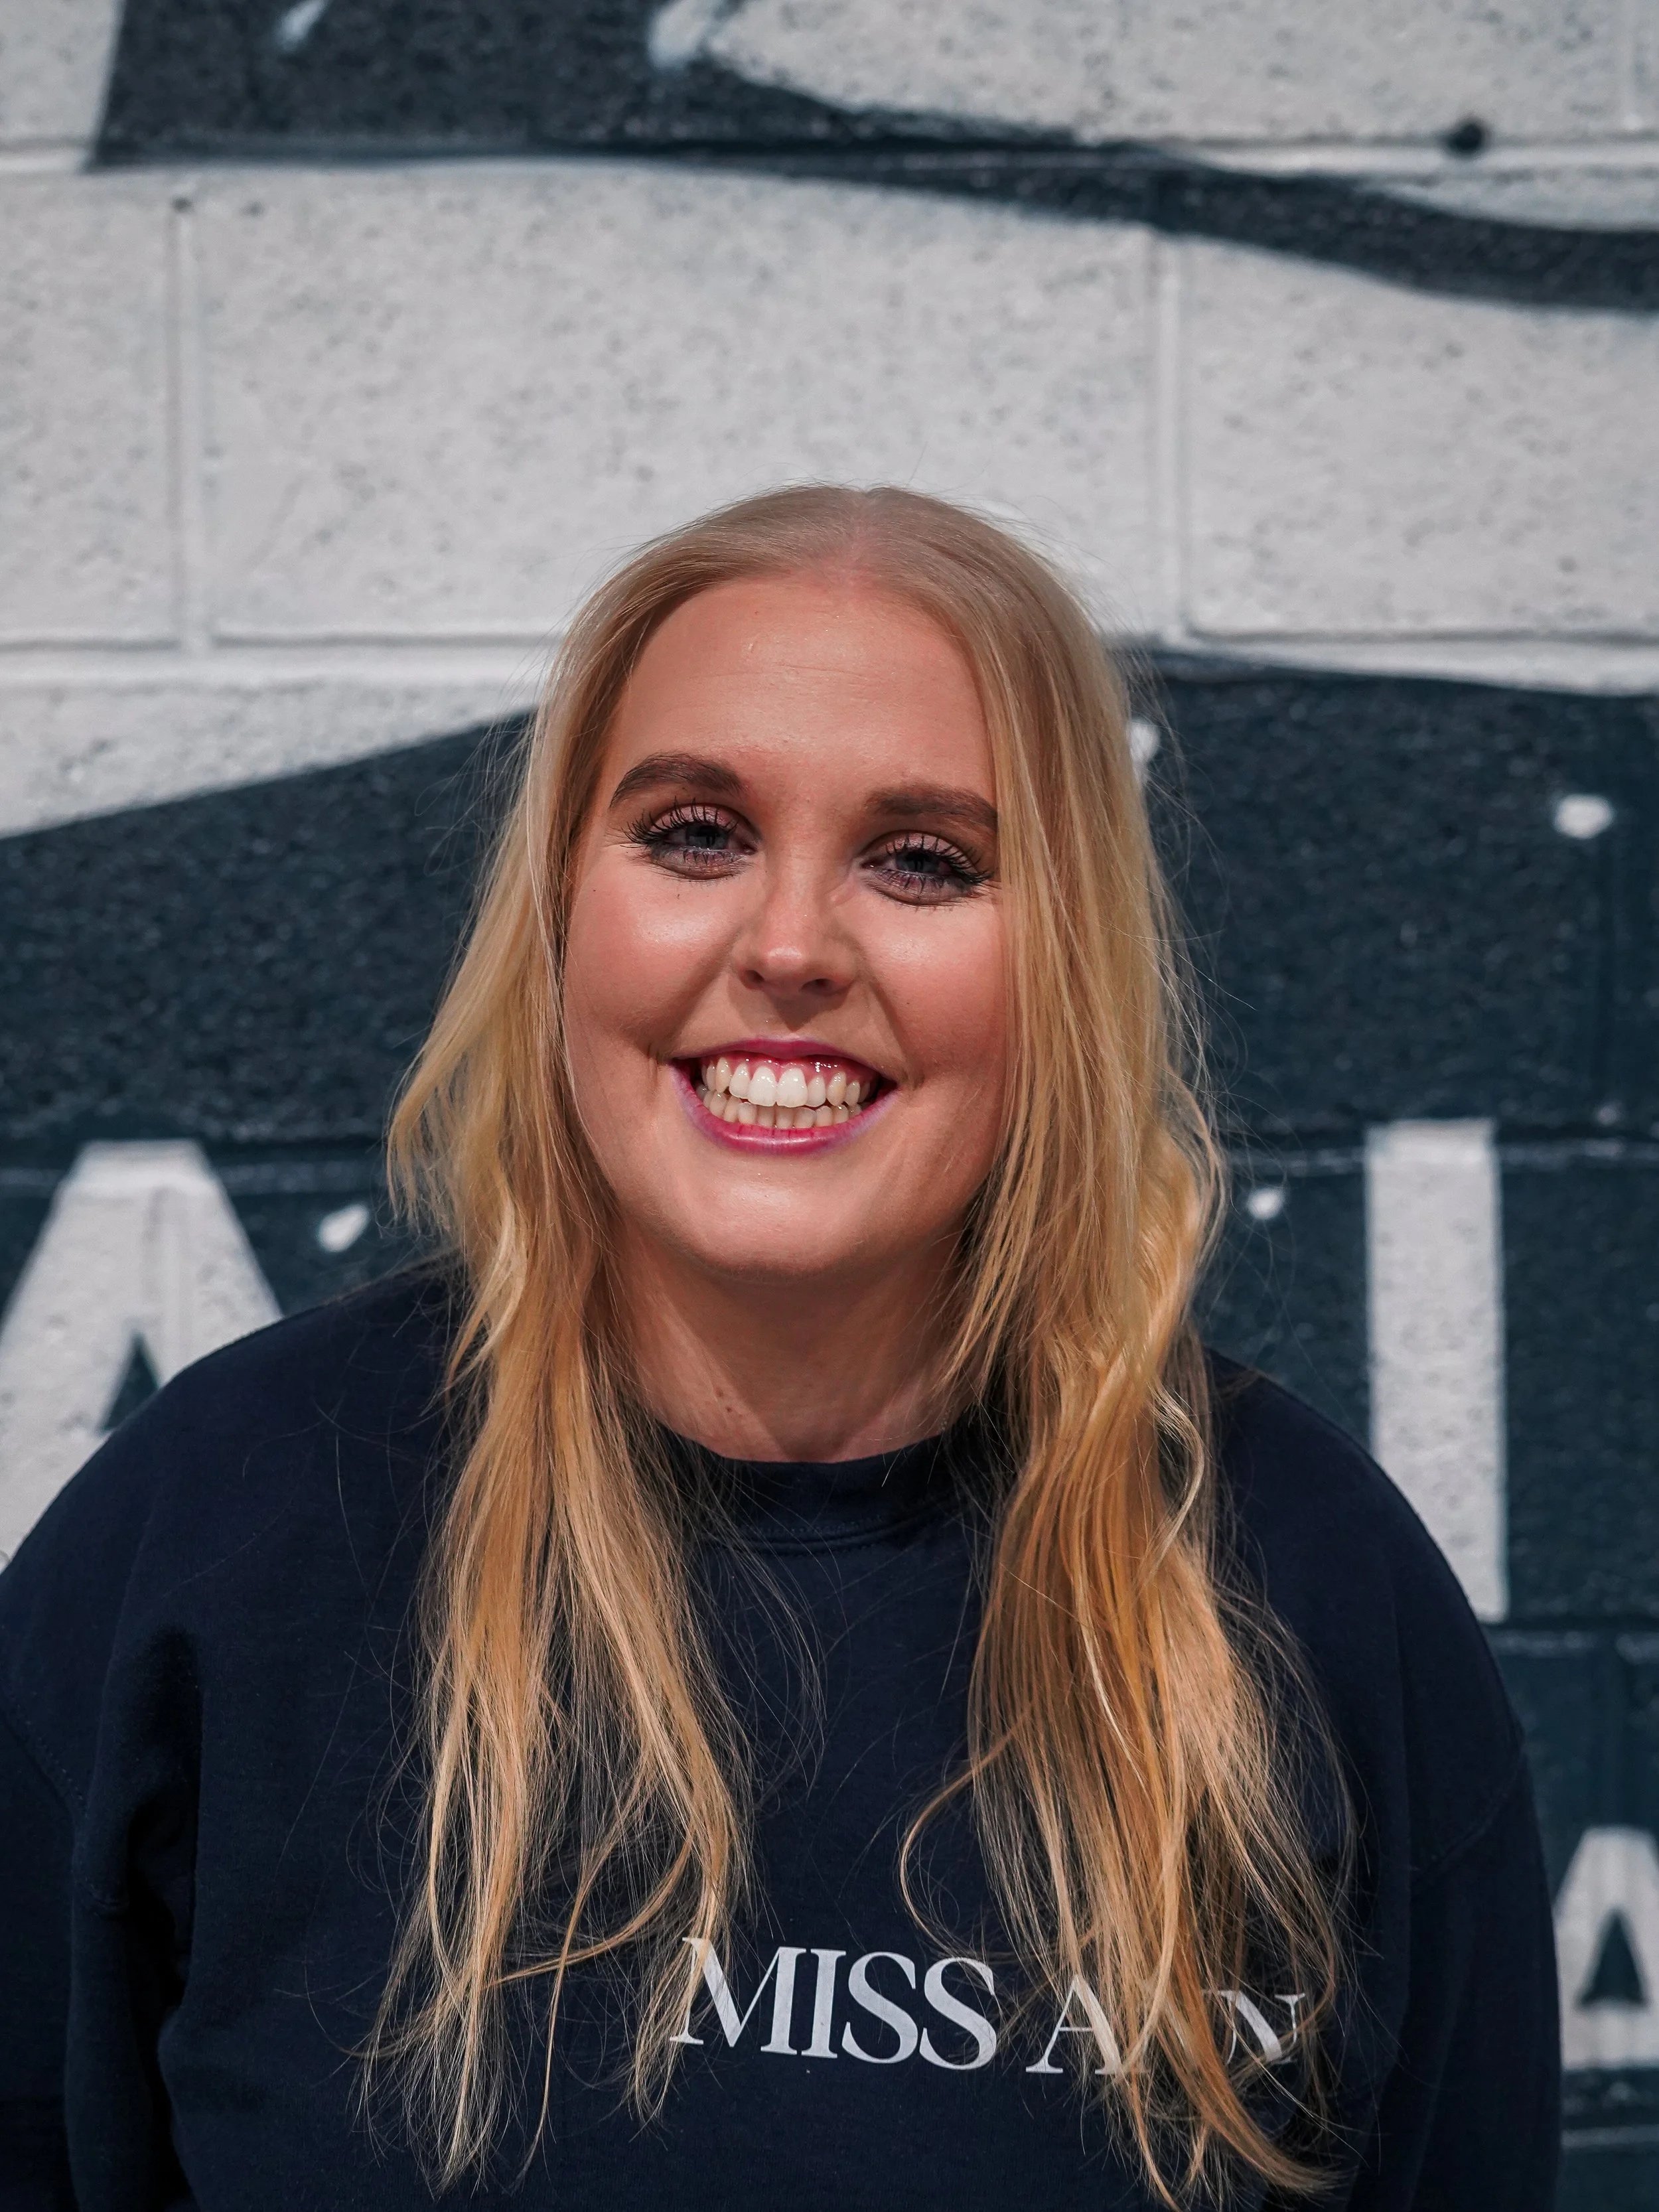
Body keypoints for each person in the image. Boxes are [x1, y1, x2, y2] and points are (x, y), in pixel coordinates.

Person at [0, 487, 1557, 2209]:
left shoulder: (1313, 1601)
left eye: (921, 860)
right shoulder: (220, 1531)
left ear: (1061, 970)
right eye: (692, 833)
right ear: (562, 910)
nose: (793, 947)